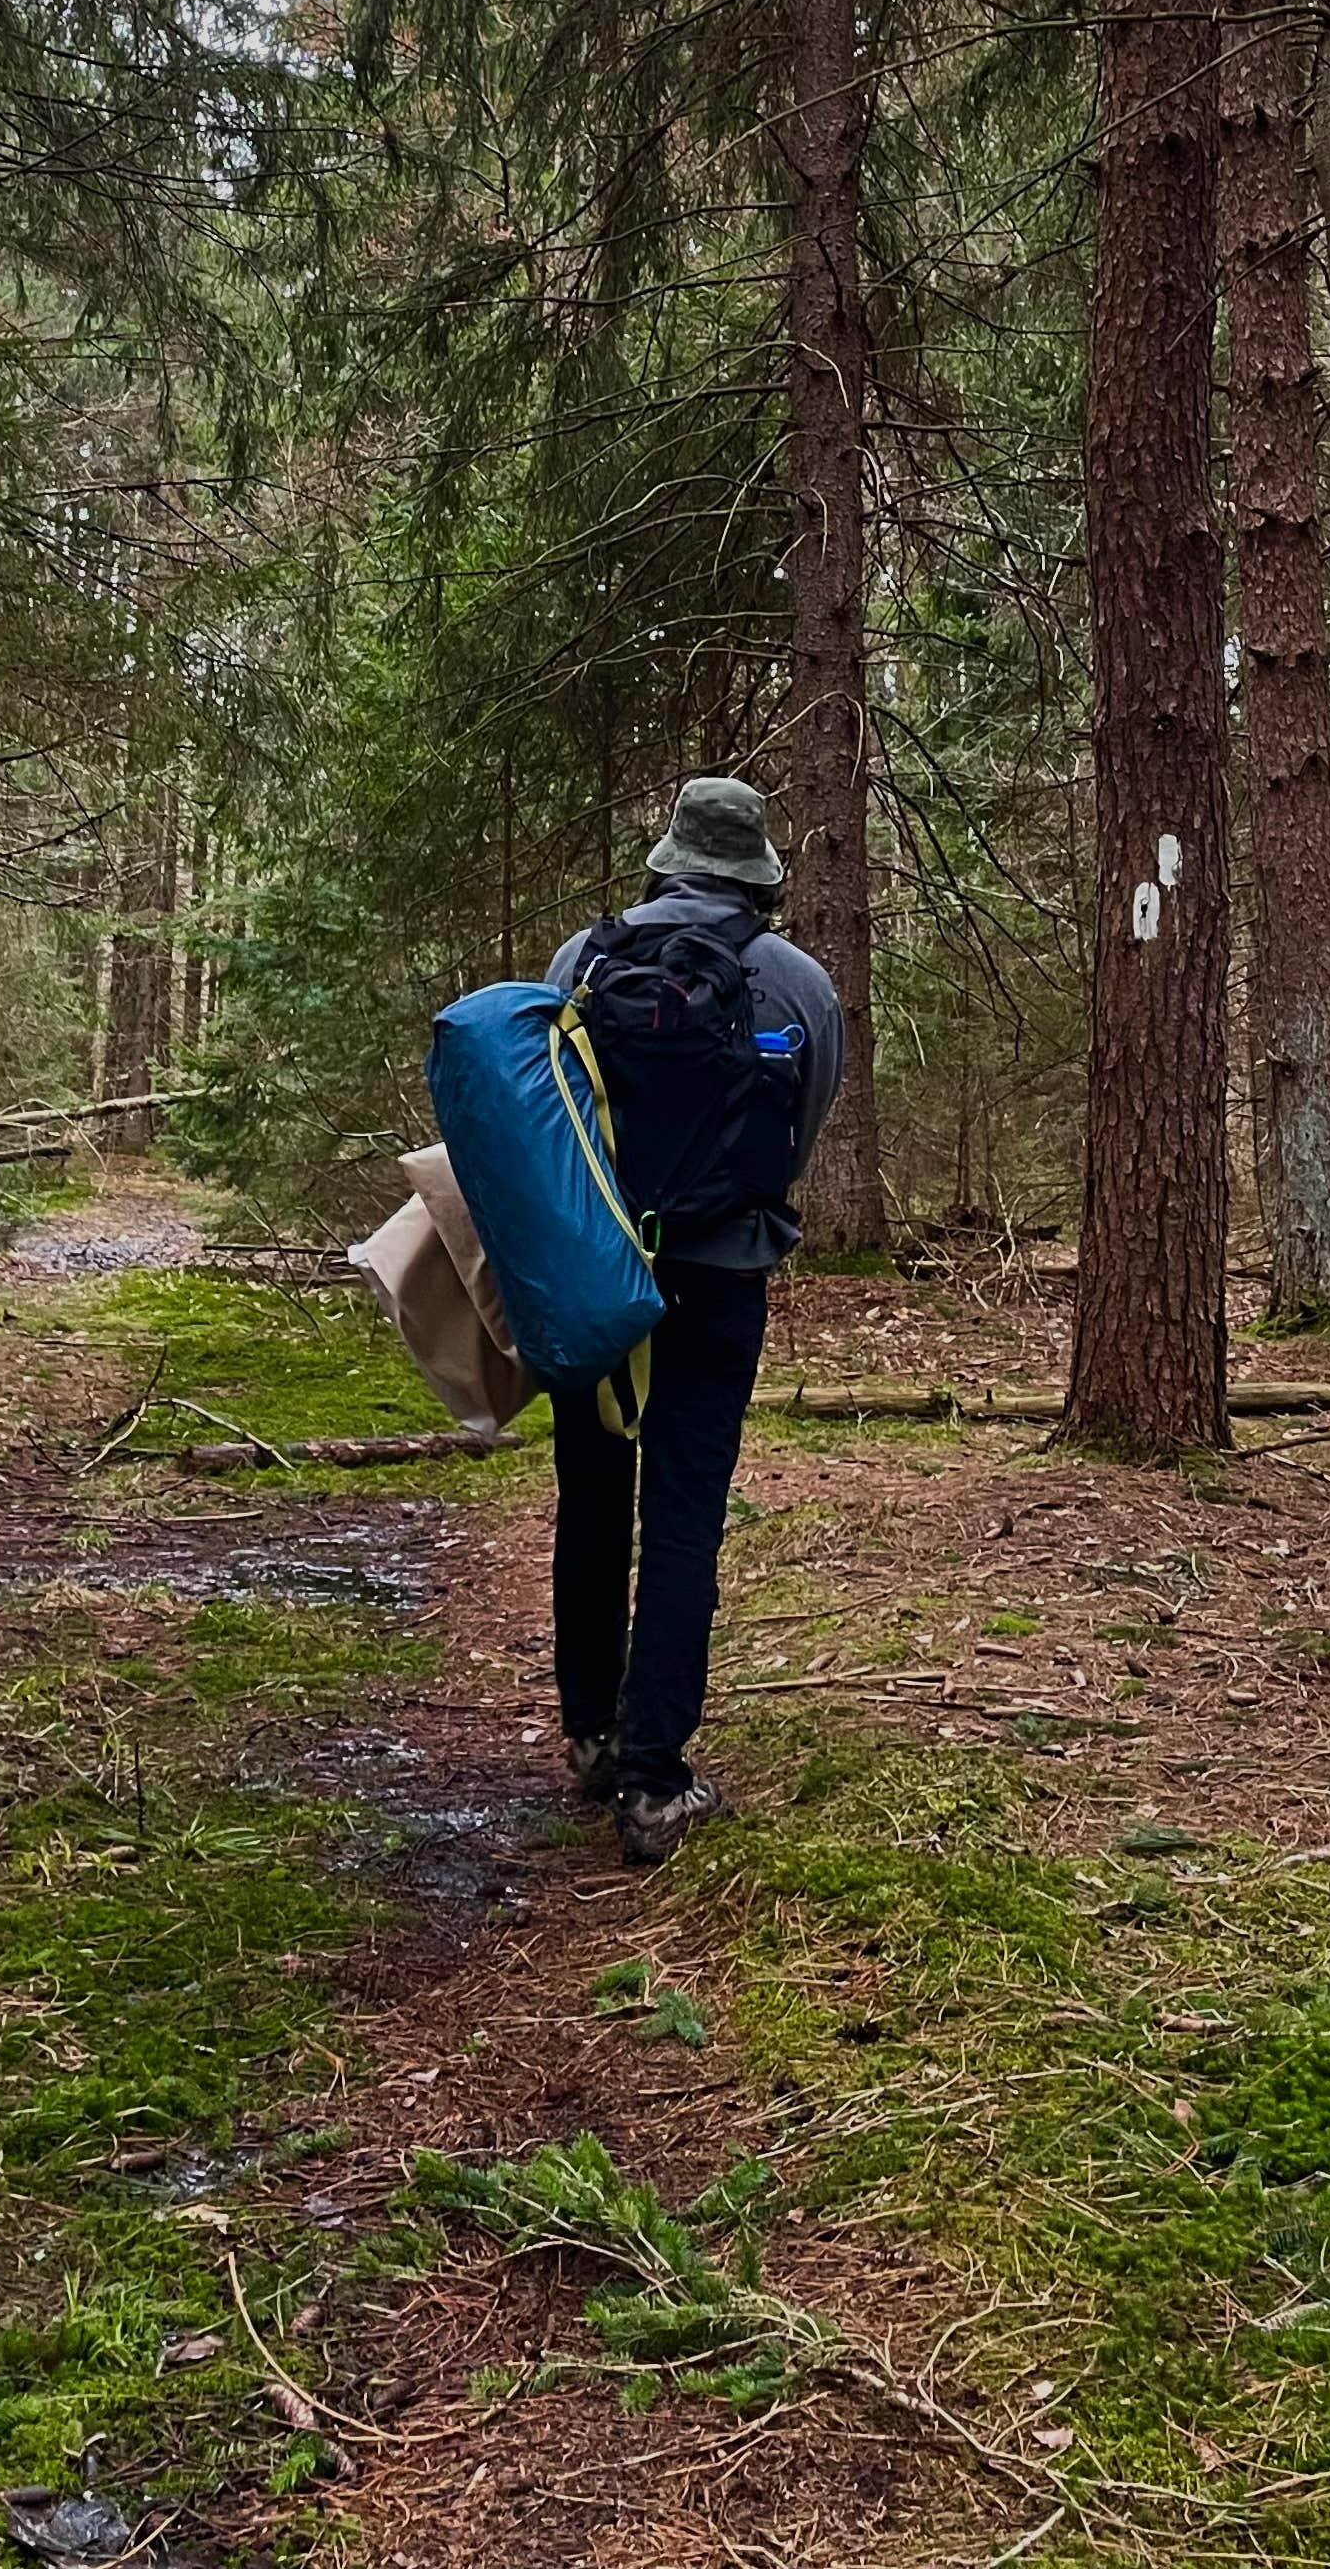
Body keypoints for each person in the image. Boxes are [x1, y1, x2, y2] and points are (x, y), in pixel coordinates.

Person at [543, 774, 841, 1865]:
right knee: (684, 1514)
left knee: (591, 1493)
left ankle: (592, 1733)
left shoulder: (581, 962)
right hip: (720, 1275)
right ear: (756, 872)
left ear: (668, 857)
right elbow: (803, 1131)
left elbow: (544, 1119)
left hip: (595, 1272)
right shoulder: (798, 983)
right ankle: (656, 1783)